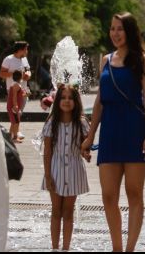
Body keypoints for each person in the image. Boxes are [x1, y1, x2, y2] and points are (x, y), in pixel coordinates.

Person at [81, 13, 145, 253]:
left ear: (130, 32)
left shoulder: (142, 60)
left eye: (120, 29)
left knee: (134, 193)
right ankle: (116, 247)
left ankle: (129, 249)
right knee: (108, 195)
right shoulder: (105, 60)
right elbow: (99, 102)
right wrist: (90, 135)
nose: (115, 33)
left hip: (135, 130)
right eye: (112, 29)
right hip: (110, 131)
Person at [43, 83, 90, 251]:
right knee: (56, 211)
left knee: (68, 212)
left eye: (71, 98)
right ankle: (55, 247)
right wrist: (48, 176)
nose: (67, 101)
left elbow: (85, 146)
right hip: (55, 170)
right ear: (57, 101)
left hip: (74, 171)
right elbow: (47, 151)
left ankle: (66, 248)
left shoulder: (82, 123)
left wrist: (86, 153)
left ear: (76, 101)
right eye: (63, 98)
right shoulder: (51, 123)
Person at [1, 41, 31, 140]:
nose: (27, 51)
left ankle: (12, 134)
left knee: (19, 112)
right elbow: (1, 74)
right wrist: (15, 74)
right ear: (21, 50)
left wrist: (28, 75)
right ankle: (15, 134)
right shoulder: (8, 59)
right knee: (16, 112)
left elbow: (28, 70)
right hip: (12, 89)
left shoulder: (25, 59)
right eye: (26, 49)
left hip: (23, 89)